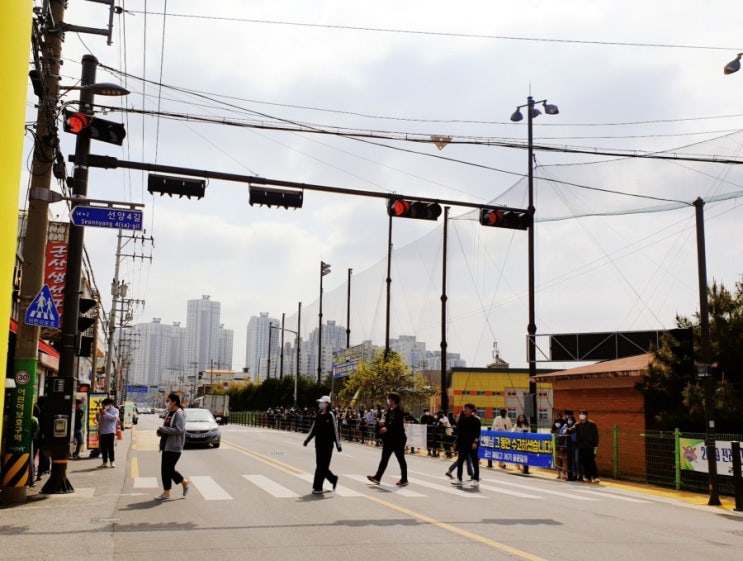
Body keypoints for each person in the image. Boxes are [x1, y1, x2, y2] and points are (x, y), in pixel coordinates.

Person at [367, 392, 408, 486]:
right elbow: (388, 422)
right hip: (389, 439)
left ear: (393, 400)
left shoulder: (399, 411)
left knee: (401, 459)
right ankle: (377, 477)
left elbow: (397, 425)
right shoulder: (389, 410)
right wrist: (383, 424)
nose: (388, 400)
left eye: (389, 399)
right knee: (384, 458)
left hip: (398, 439)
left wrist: (387, 428)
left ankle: (404, 479)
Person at [303, 395, 342, 494]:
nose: (320, 404)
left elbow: (335, 430)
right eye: (320, 402)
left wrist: (338, 445)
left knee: (322, 466)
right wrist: (307, 439)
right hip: (318, 444)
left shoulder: (331, 415)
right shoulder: (319, 414)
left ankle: (318, 487)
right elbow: (314, 429)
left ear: (327, 404)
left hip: (328, 445)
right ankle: (333, 479)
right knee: (320, 465)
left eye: (322, 402)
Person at [155, 393, 189, 500]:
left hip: (174, 446)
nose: (167, 403)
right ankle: (166, 493)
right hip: (166, 444)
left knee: (168, 469)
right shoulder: (170, 413)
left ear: (174, 402)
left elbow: (179, 429)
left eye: (168, 401)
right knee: (165, 470)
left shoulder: (179, 414)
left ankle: (184, 482)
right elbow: (167, 427)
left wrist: (163, 429)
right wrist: (161, 432)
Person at [450, 403, 481, 488]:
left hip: (472, 445)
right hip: (463, 444)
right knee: (460, 461)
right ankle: (459, 478)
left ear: (471, 410)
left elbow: (477, 433)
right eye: (464, 408)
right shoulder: (462, 420)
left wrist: (475, 442)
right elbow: (459, 433)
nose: (464, 410)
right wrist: (456, 442)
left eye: (466, 408)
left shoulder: (476, 420)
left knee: (474, 462)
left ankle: (476, 479)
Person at [572, 409, 600, 483]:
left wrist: (595, 445)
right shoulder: (577, 424)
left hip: (590, 446)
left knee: (591, 461)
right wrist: (567, 430)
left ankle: (595, 476)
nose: (581, 415)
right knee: (584, 462)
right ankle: (587, 476)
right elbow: (572, 429)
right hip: (581, 446)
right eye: (580, 414)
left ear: (586, 415)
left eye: (583, 414)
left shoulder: (592, 424)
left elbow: (596, 435)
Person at [97, 398, 119, 468]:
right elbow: (100, 421)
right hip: (103, 431)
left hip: (110, 431)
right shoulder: (104, 410)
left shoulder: (115, 410)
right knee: (103, 448)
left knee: (110, 448)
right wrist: (99, 416)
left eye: (105, 405)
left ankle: (112, 462)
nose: (104, 406)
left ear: (110, 404)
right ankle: (104, 462)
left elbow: (114, 418)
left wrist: (105, 413)